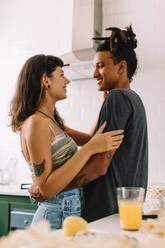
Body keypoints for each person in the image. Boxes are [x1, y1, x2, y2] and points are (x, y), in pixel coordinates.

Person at [29, 25, 148, 223]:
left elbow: (98, 166)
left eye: (100, 66)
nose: (94, 74)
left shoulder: (117, 98)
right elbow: (94, 143)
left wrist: (49, 189)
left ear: (121, 67)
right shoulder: (132, 99)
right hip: (122, 213)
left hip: (103, 213)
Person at [9, 54, 124, 229]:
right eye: (61, 74)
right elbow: (46, 188)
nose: (67, 80)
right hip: (55, 213)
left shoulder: (50, 121)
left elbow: (88, 139)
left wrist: (105, 106)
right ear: (45, 81)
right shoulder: (36, 123)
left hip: (66, 209)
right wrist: (89, 150)